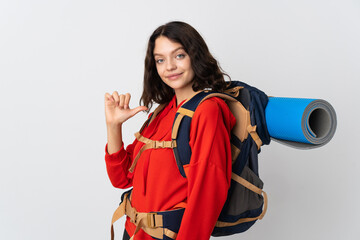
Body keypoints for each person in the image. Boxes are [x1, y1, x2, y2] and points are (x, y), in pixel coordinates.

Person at [104, 21, 236, 240]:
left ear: (196, 56)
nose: (169, 67)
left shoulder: (208, 111)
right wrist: (113, 126)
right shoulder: (163, 112)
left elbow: (206, 198)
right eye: (160, 60)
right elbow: (122, 178)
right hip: (132, 233)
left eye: (179, 55)